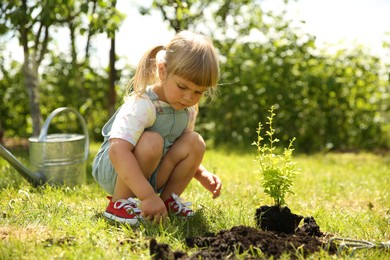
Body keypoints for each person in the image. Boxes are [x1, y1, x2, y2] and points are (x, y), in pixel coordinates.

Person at [92, 31, 222, 225]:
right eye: (182, 86)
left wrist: (201, 173)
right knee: (152, 141)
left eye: (198, 92)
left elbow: (179, 149)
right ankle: (119, 204)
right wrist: (146, 196)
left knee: (194, 142)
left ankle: (166, 202)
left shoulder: (187, 110)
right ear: (163, 71)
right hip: (118, 169)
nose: (189, 97)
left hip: (152, 172)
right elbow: (117, 150)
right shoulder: (143, 104)